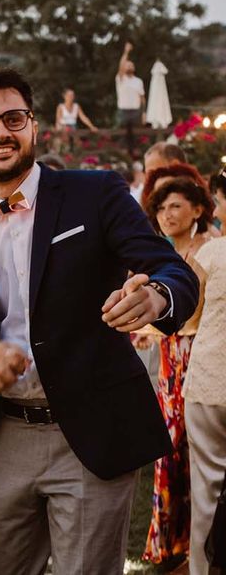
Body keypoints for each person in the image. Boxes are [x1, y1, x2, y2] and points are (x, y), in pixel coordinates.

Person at [0, 67, 199, 574]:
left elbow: (170, 267)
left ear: (34, 126)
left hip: (92, 430)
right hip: (6, 433)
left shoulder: (94, 193)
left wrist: (157, 298)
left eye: (13, 118)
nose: (0, 132)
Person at [141, 178, 214, 566]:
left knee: (199, 452)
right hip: (171, 358)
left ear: (197, 210)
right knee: (169, 449)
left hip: (204, 356)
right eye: (161, 209)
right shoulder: (164, 255)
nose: (166, 216)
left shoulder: (211, 250)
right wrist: (145, 330)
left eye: (174, 207)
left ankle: (202, 546)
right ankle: (171, 544)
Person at [184, 170, 226, 575]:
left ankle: (202, 569)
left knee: (207, 488)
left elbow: (188, 317)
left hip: (211, 382)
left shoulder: (212, 253)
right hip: (212, 382)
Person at [116, 42, 146, 152]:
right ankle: (123, 156)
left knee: (137, 137)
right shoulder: (120, 79)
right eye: (127, 65)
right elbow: (121, 65)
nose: (129, 66)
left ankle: (136, 156)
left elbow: (142, 98)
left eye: (131, 65)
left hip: (136, 111)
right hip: (123, 111)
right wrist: (126, 52)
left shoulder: (138, 81)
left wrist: (143, 112)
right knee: (123, 136)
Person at [54, 88, 97, 152]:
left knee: (77, 141)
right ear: (64, 96)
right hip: (63, 127)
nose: (71, 97)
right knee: (65, 137)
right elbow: (58, 120)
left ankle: (76, 153)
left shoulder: (76, 106)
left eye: (72, 95)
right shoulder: (60, 107)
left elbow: (83, 117)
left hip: (73, 127)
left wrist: (91, 126)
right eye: (69, 95)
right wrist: (60, 129)